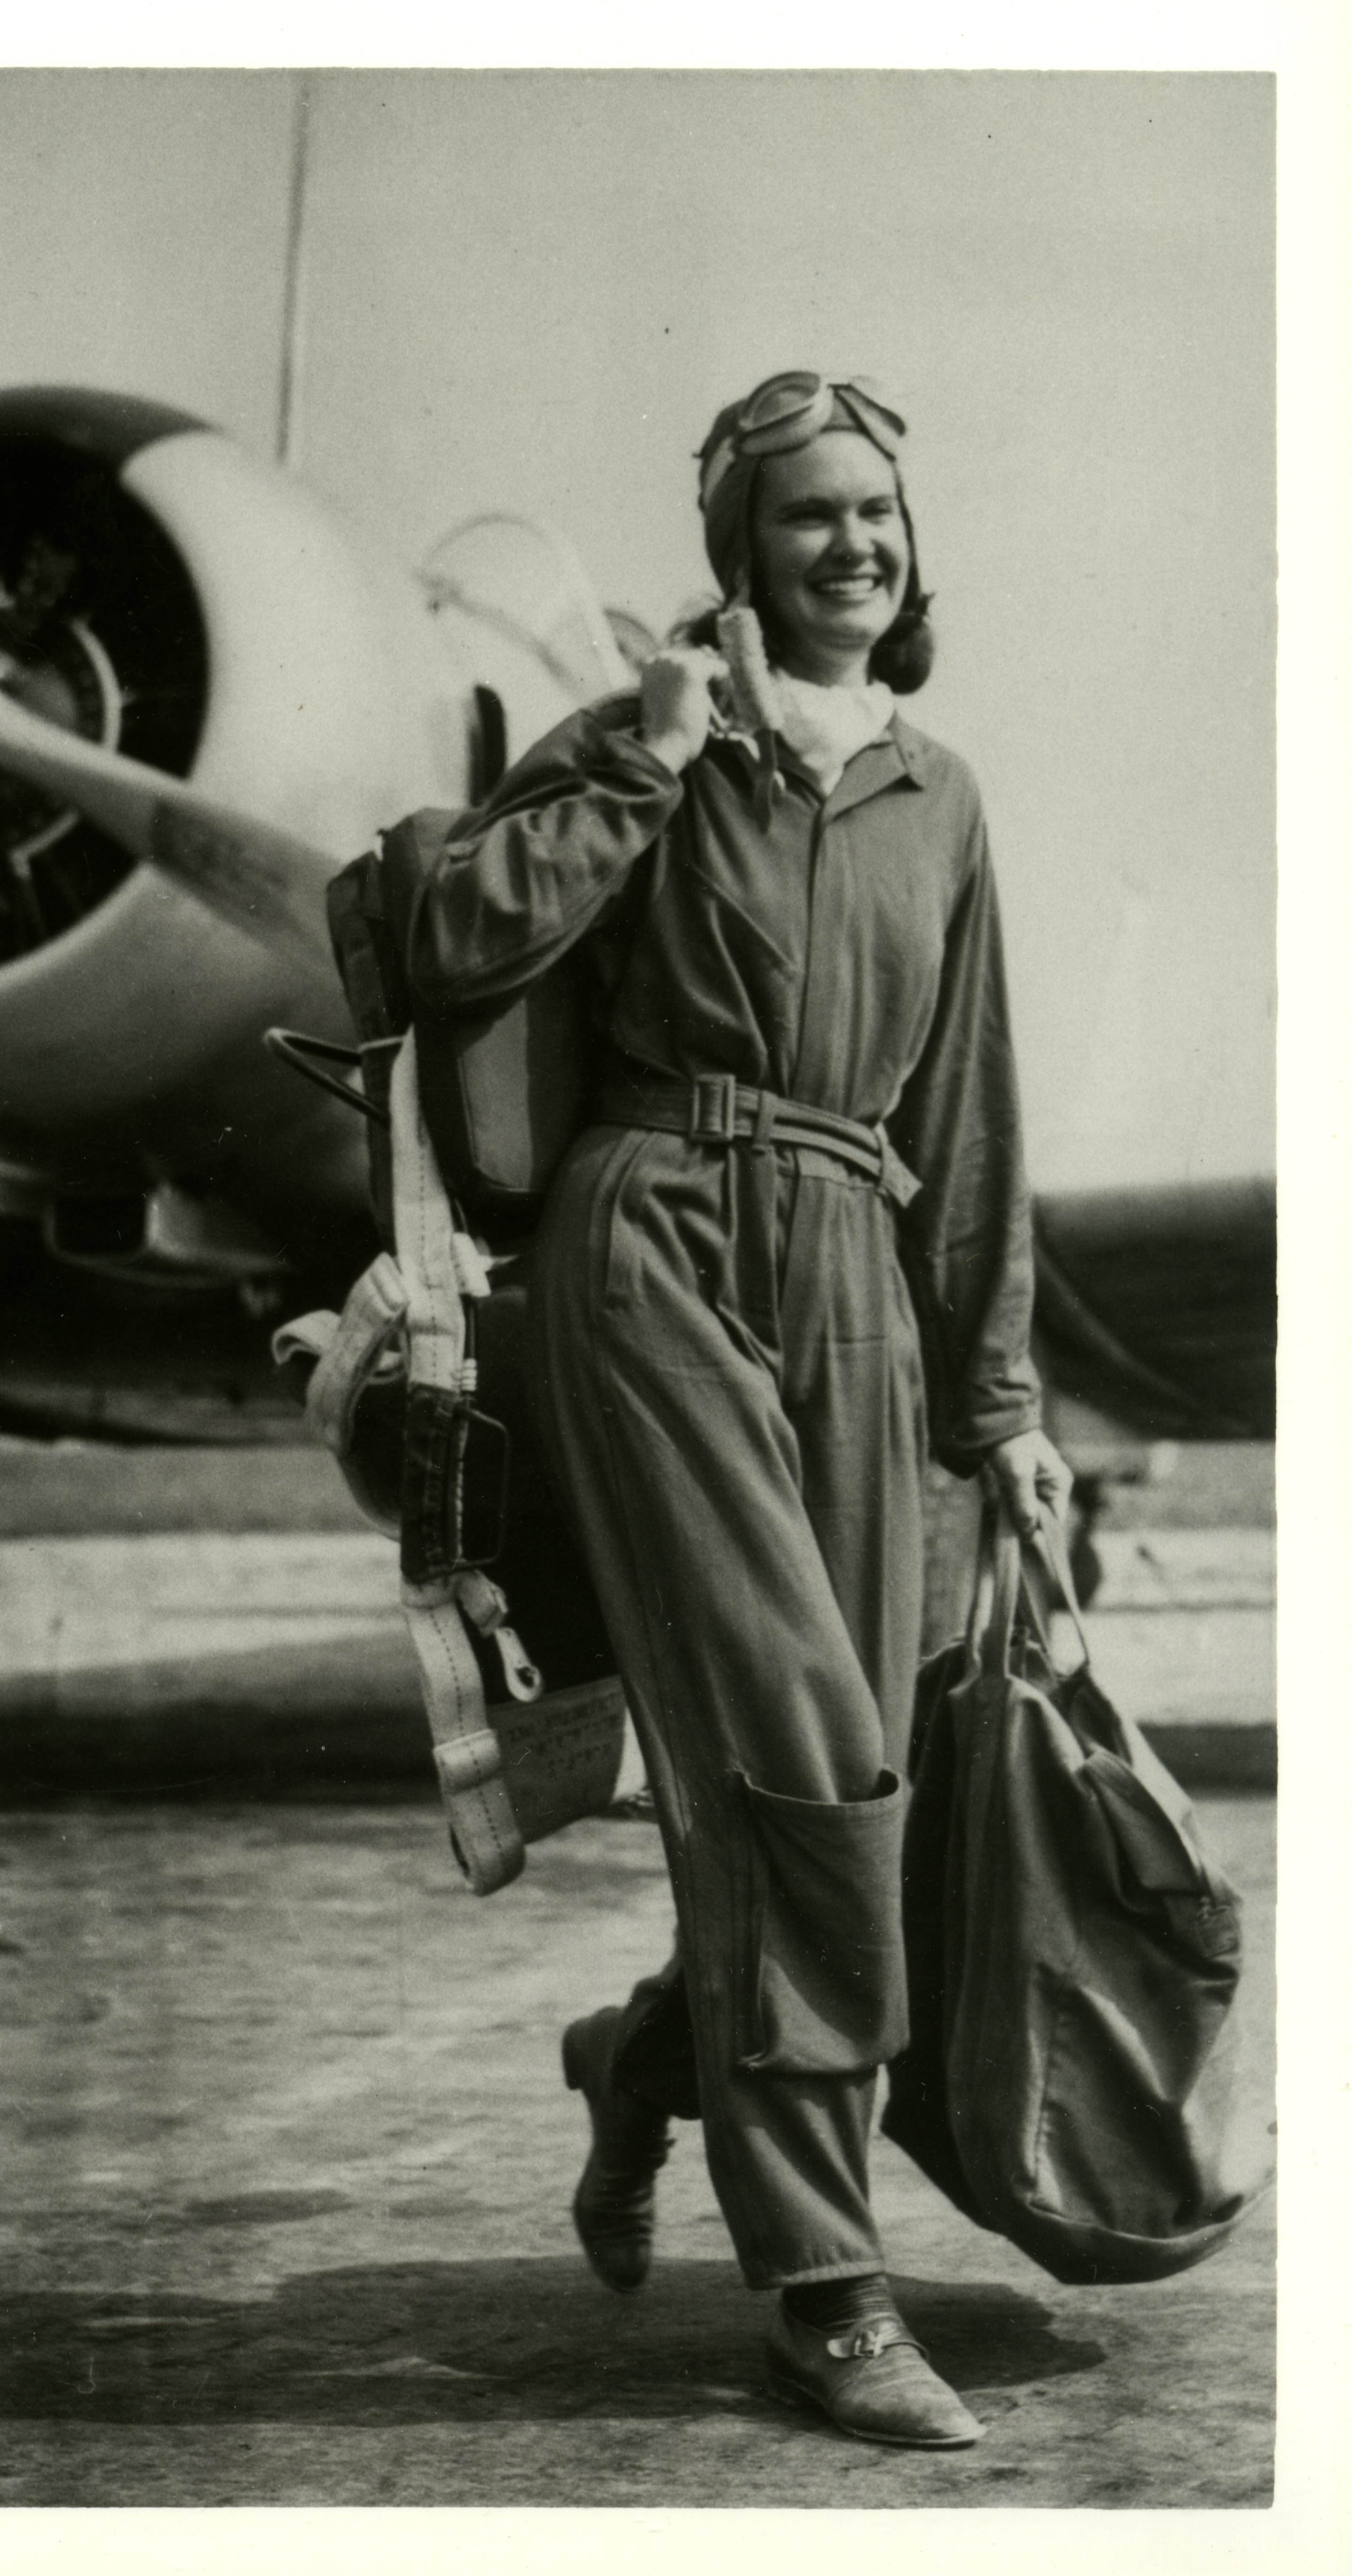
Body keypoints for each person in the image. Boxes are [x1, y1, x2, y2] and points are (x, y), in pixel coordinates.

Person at [404, 373, 1072, 2450]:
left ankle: (644, 2057)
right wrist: (638, 766)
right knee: (791, 1753)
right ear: (735, 552)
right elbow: (444, 934)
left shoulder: (935, 794)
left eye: (876, 509)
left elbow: (963, 1118)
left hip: (852, 1252)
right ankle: (821, 2285)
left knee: (859, 1772)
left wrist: (1006, 1404)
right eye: (807, 517)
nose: (852, 543)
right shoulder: (640, 738)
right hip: (654, 1240)